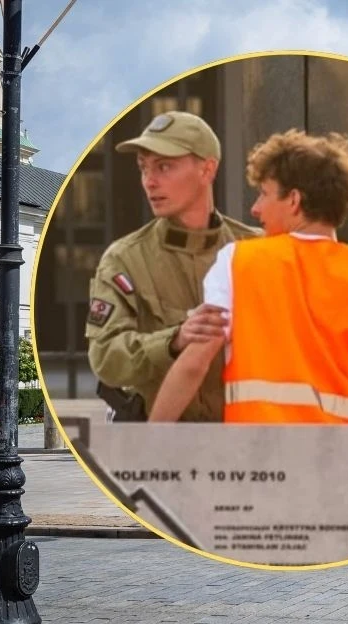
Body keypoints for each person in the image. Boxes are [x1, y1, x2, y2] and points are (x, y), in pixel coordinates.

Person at [146, 129, 348, 424]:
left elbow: (193, 365)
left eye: (264, 194)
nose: (255, 208)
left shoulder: (238, 262)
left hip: (263, 465)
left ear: (294, 200)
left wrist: (147, 444)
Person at [86, 110, 261, 422]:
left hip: (249, 444)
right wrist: (174, 340)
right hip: (165, 447)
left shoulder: (257, 249)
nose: (149, 181)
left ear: (207, 169)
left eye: (164, 167)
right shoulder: (124, 258)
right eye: (143, 168)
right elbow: (106, 358)